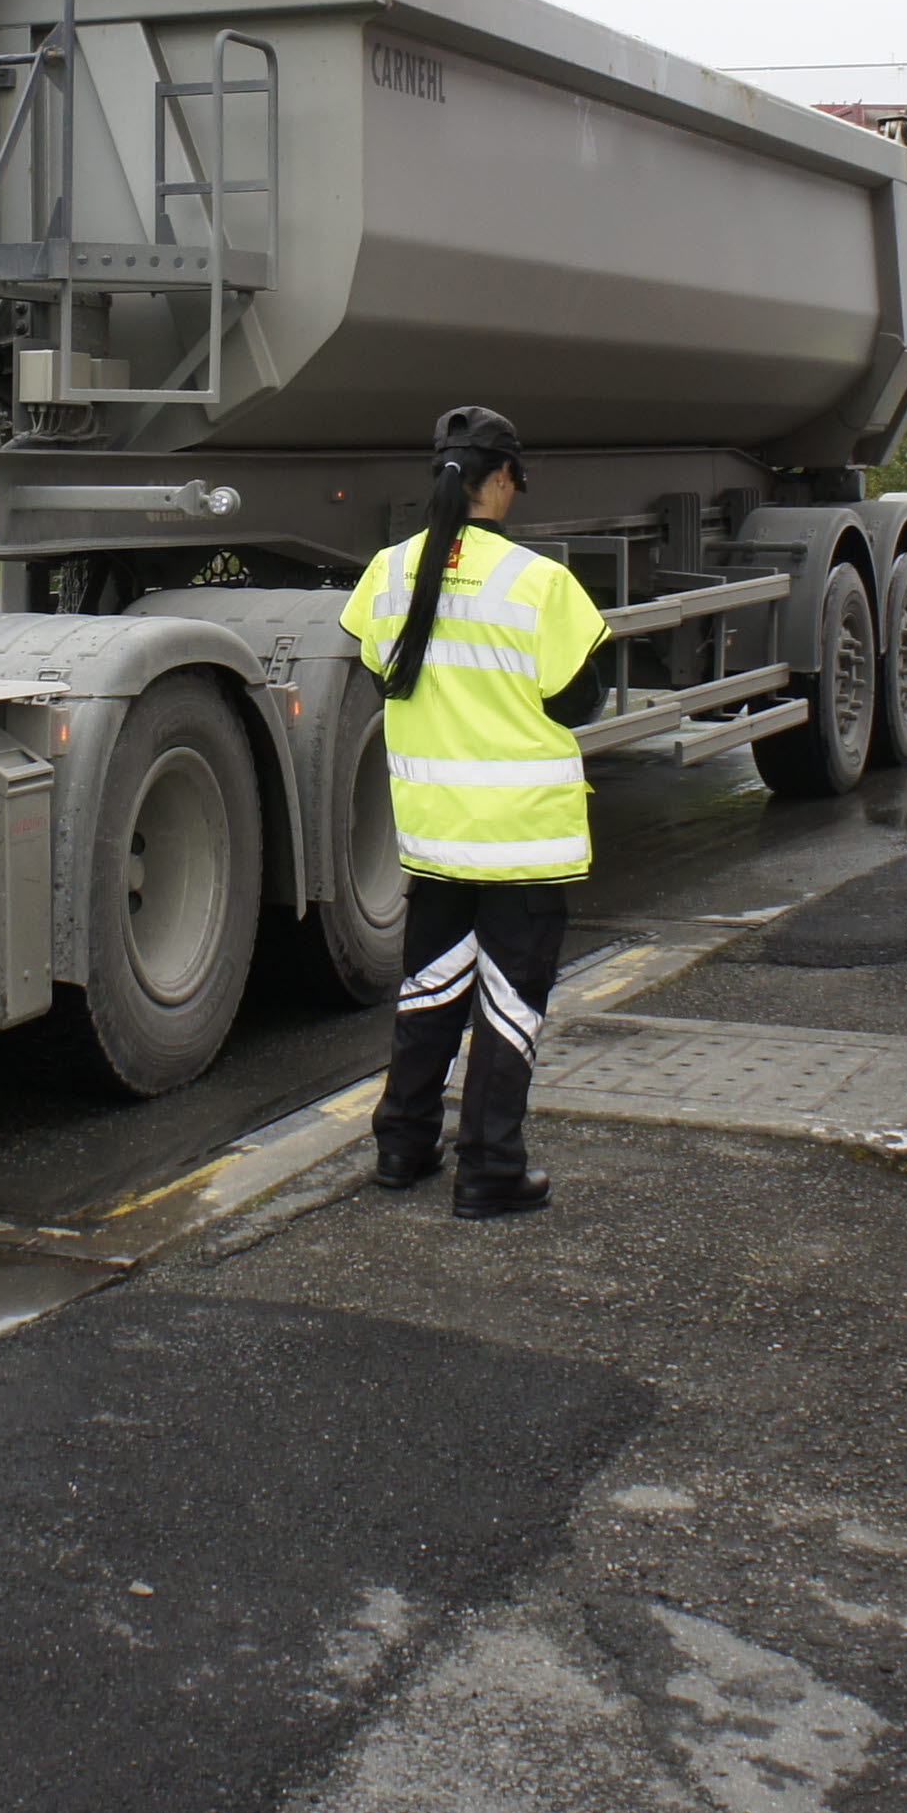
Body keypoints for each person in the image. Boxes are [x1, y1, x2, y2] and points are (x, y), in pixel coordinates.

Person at [341, 404, 610, 1220]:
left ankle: (402, 1145)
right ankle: (491, 1167)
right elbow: (580, 701)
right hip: (523, 840)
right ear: (500, 481)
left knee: (429, 989)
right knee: (509, 1003)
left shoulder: (388, 572)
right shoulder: (536, 582)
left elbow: (376, 666)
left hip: (436, 836)